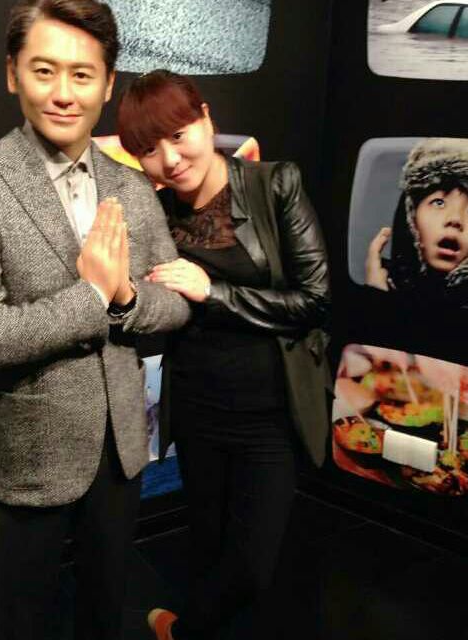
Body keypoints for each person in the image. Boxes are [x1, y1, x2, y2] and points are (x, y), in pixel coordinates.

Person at [0, 3, 190, 639]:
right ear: (12, 74)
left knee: (106, 610)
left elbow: (175, 304)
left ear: (107, 84)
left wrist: (125, 297)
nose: (63, 93)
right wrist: (91, 295)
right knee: (22, 621)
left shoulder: (132, 188)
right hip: (31, 455)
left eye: (82, 75)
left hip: (120, 450)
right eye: (44, 70)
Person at [117, 70, 331, 640]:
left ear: (206, 119)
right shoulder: (156, 213)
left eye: (178, 135)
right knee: (207, 543)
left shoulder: (274, 185)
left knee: (253, 566)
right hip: (197, 405)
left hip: (270, 413)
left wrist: (212, 291)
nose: (170, 159)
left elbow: (314, 300)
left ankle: (178, 631)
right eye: (149, 150)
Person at [365, 138, 468, 309]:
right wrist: (376, 302)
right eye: (439, 202)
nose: (455, 219)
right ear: (410, 215)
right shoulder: (364, 301)